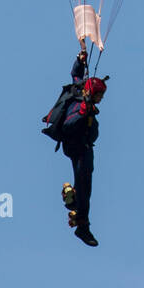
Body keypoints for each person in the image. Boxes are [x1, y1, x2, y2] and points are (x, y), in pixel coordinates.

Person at [56, 46, 107, 247]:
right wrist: (82, 113)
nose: (101, 99)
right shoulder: (81, 104)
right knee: (85, 188)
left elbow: (76, 75)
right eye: (100, 95)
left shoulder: (80, 88)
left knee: (83, 185)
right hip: (80, 150)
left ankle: (74, 202)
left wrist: (80, 59)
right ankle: (82, 226)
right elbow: (69, 124)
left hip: (82, 148)